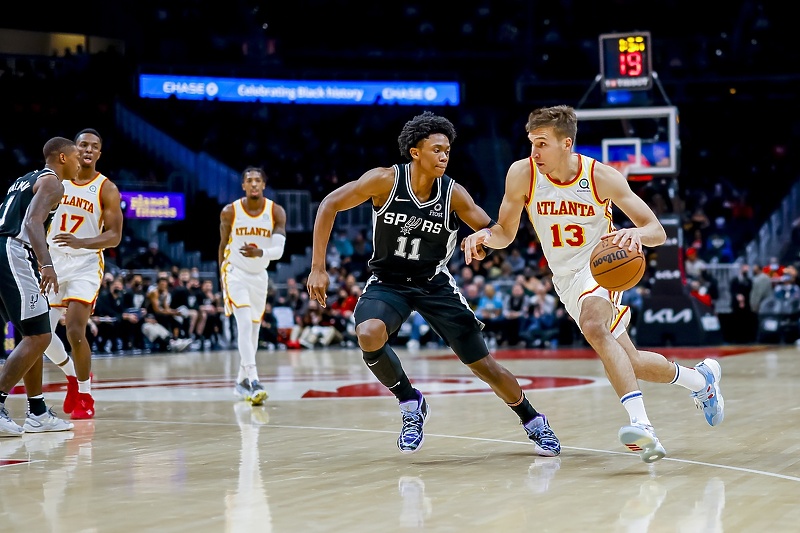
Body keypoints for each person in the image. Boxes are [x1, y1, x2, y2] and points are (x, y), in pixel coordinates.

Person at [462, 105, 724, 463]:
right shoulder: (522, 174)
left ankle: (642, 426)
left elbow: (657, 232)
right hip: (565, 279)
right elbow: (506, 233)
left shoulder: (601, 176)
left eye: (542, 143)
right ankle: (700, 380)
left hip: (603, 267)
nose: (535, 152)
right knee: (631, 361)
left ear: (566, 143)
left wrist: (634, 233)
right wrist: (485, 238)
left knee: (593, 325)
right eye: (531, 143)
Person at [306, 111, 560, 456]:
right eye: (437, 149)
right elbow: (330, 204)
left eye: (447, 151)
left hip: (434, 283)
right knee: (368, 332)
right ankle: (410, 403)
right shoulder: (384, 181)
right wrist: (318, 267)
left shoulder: (453, 194)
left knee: (483, 364)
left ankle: (533, 420)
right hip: (389, 282)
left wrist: (480, 244)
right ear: (415, 152)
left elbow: (490, 232)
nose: (444, 156)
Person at [42, 129, 124, 420]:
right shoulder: (56, 181)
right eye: (83, 145)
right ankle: (72, 377)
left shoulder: (106, 188)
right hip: (53, 261)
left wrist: (82, 242)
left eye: (95, 146)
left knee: (75, 329)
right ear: (74, 150)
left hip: (86, 263)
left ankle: (86, 395)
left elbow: (114, 236)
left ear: (99, 153)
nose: (88, 150)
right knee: (40, 335)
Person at [0, 137, 79, 436]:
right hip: (13, 250)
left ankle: (37, 411)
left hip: (4, 249)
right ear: (61, 157)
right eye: (75, 158)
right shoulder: (53, 183)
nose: (78, 163)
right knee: (39, 335)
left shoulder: (24, 179)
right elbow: (33, 223)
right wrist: (46, 265)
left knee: (30, 334)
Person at [219, 166, 287, 406]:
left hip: (259, 276)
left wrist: (260, 252)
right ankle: (255, 380)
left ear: (264, 185)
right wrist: (222, 279)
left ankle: (241, 382)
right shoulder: (230, 212)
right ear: (243, 186)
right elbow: (222, 245)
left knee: (254, 333)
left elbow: (278, 251)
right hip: (234, 272)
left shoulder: (275, 211)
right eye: (250, 180)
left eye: (258, 180)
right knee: (245, 324)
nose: (254, 184)